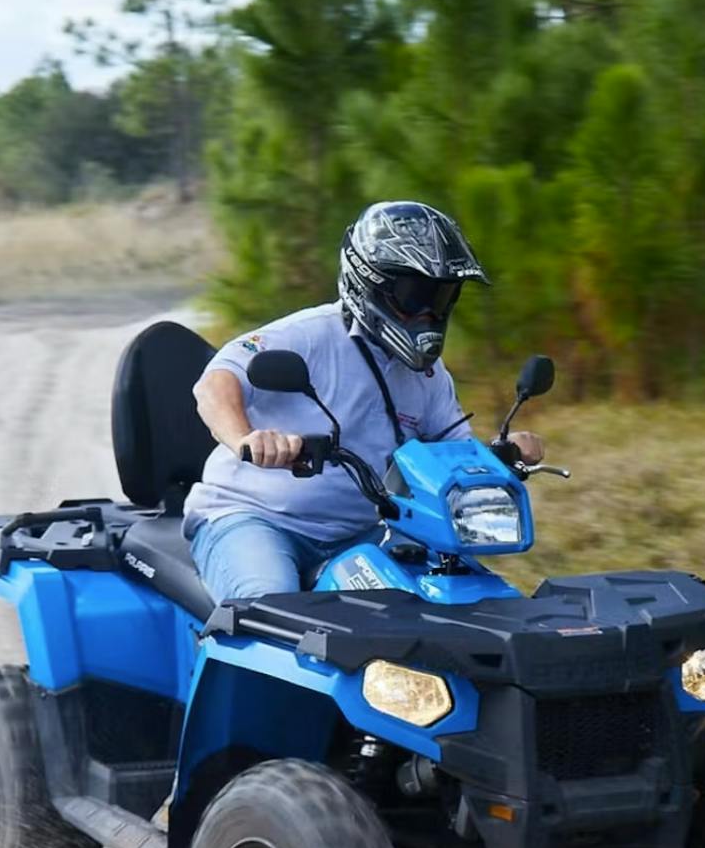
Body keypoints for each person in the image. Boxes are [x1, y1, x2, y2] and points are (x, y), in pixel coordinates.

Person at [184, 200, 545, 604]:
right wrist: (245, 439)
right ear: (371, 284)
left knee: (457, 596)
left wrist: (502, 453)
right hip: (255, 518)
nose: (428, 314)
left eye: (441, 299)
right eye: (414, 296)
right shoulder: (308, 336)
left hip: (362, 531)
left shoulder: (428, 374)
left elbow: (452, 453)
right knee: (269, 609)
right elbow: (215, 384)